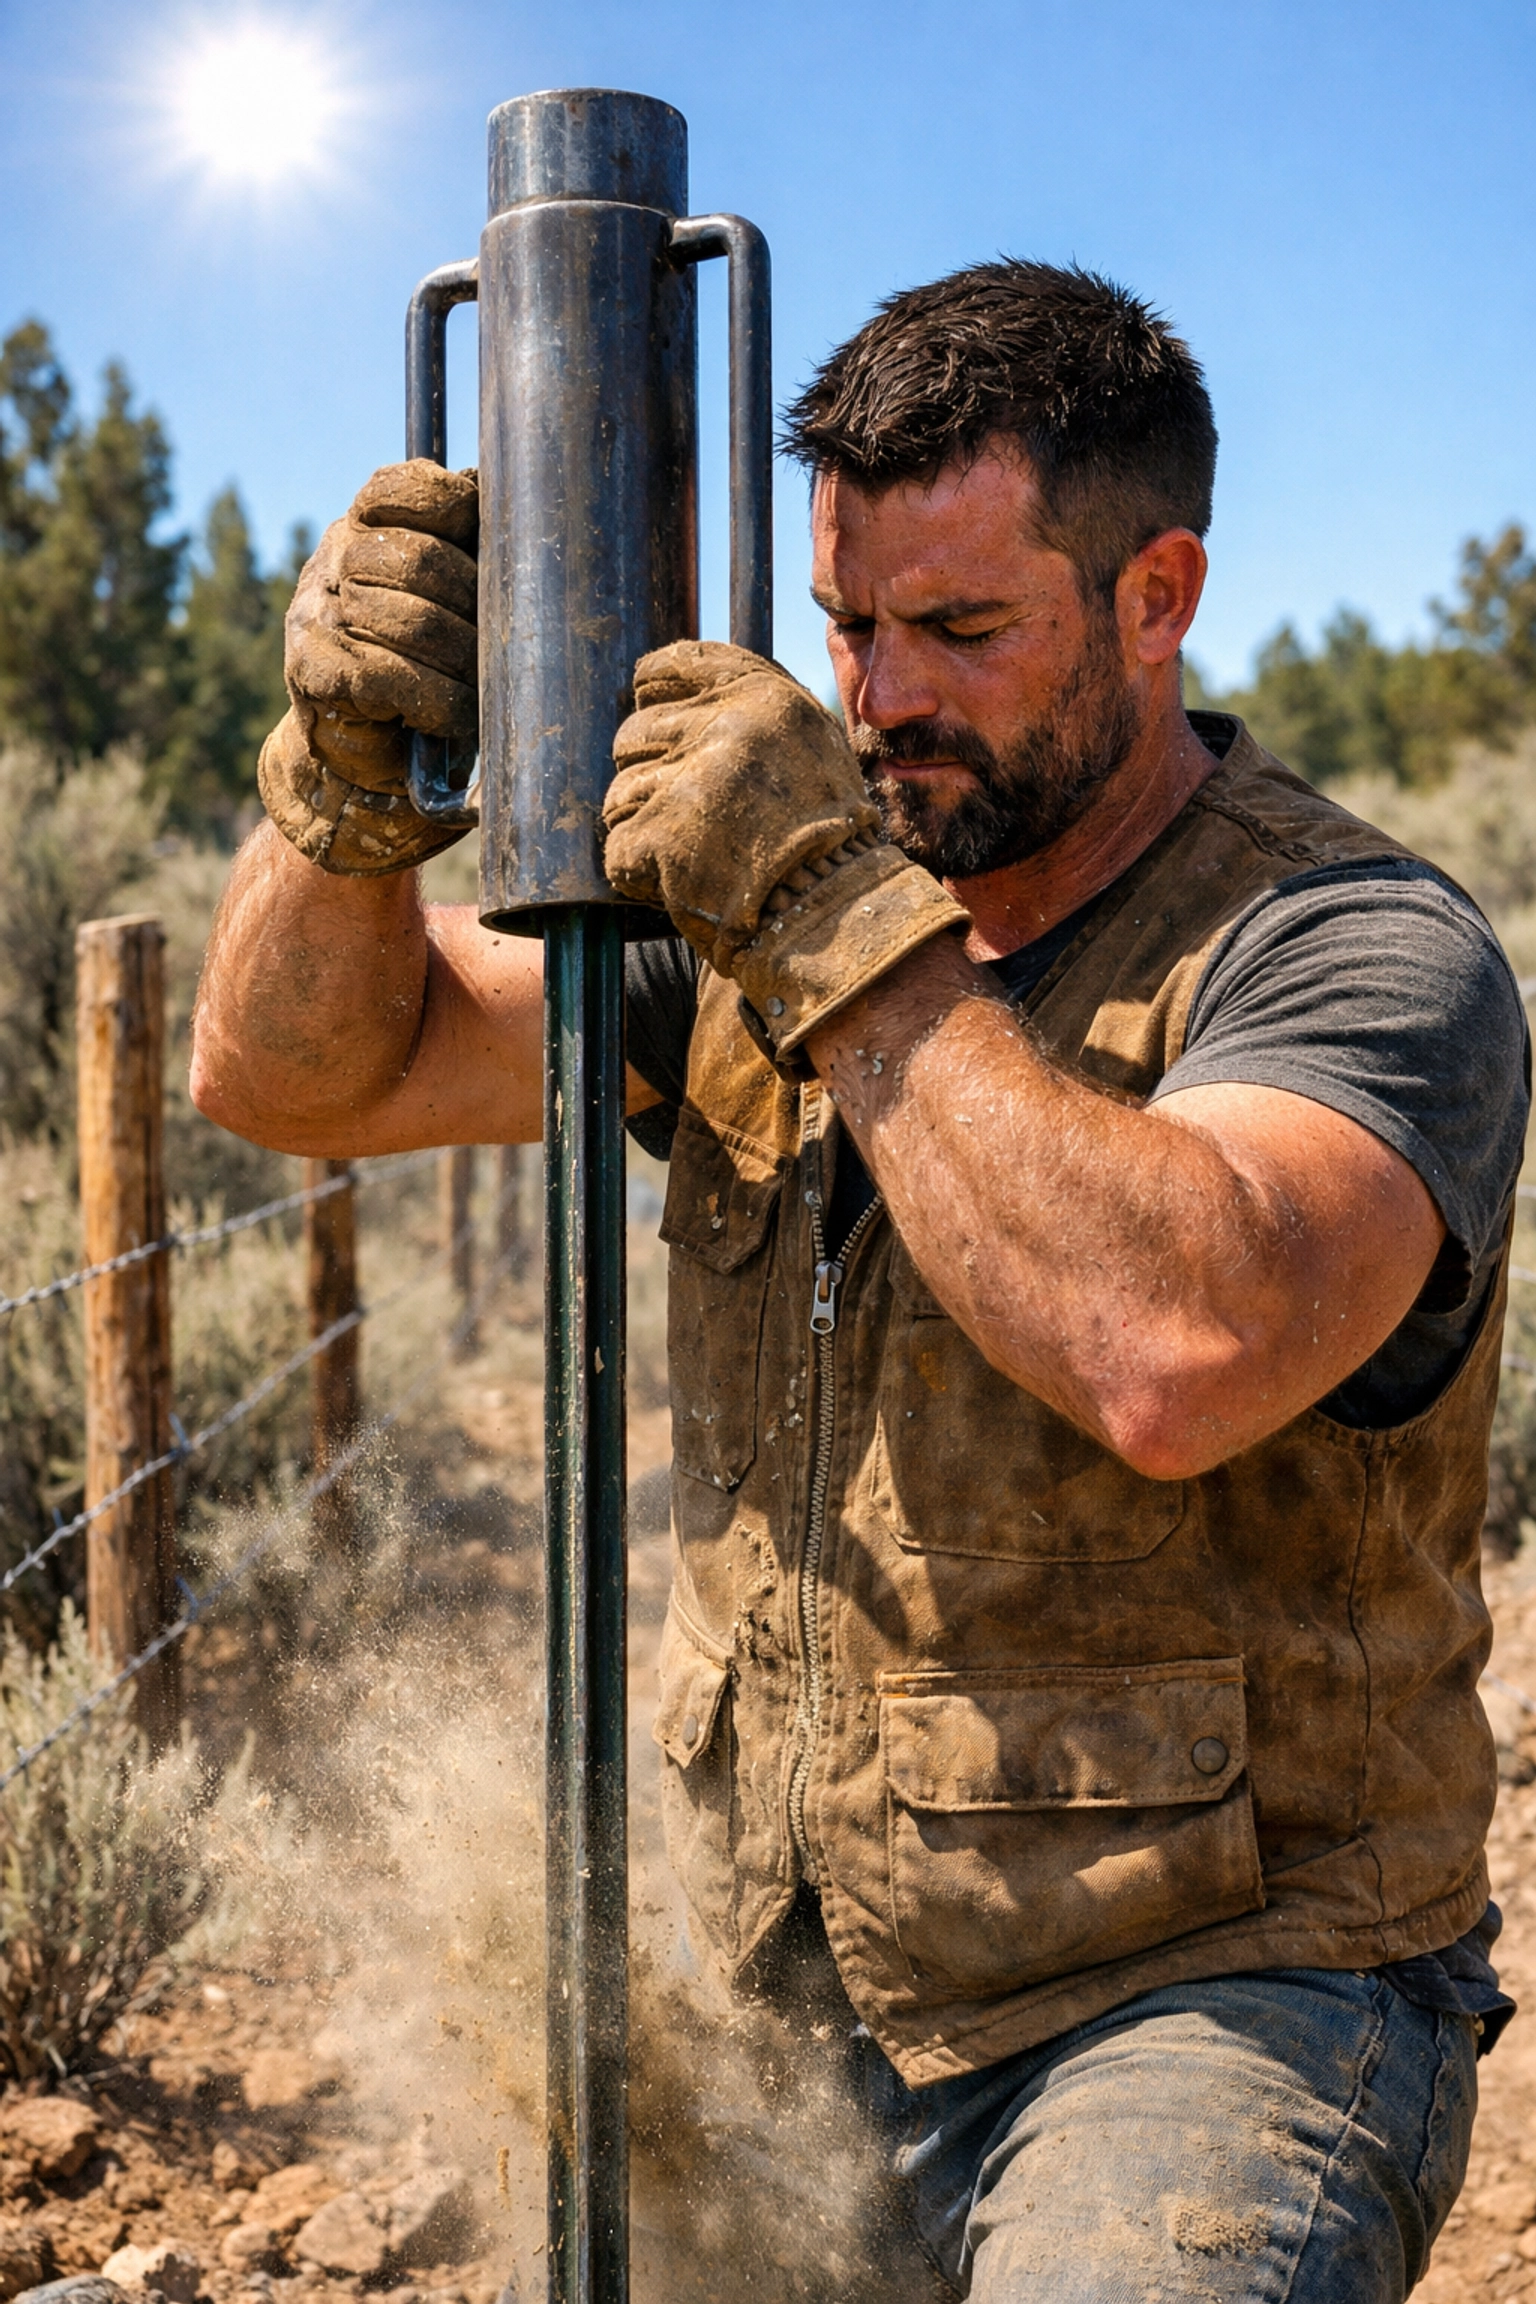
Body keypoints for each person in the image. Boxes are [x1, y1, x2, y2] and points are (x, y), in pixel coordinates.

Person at [192, 261, 1528, 2301]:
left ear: (1157, 596)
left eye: (963, 630)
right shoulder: (760, 926)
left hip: (1219, 1993)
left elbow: (1176, 1348)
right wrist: (349, 784)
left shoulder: (1348, 948)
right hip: (789, 1985)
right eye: (847, 627)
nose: (881, 695)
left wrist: (827, 911)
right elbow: (301, 1073)